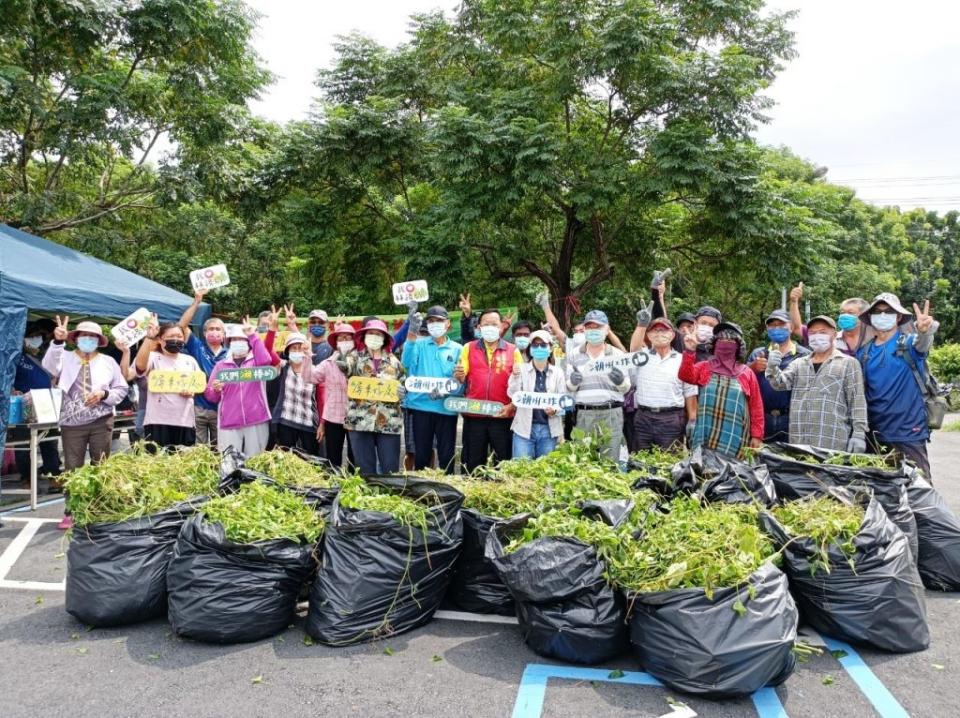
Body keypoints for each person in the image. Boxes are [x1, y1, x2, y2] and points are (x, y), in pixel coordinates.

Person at [43, 317, 129, 529]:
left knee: (101, 463)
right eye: (84, 336)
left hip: (102, 419)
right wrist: (57, 342)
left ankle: (99, 507)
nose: (88, 340)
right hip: (72, 421)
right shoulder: (64, 356)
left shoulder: (108, 361)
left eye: (93, 337)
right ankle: (71, 509)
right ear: (76, 338)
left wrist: (103, 393)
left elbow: (121, 388)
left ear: (99, 340)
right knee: (73, 466)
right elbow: (50, 367)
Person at [856, 293, 938, 478]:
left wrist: (924, 331)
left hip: (909, 432)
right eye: (878, 311)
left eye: (889, 312)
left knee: (919, 489)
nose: (883, 315)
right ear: (870, 317)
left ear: (899, 317)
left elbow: (922, 343)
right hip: (876, 434)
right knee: (882, 490)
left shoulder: (909, 344)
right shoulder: (864, 352)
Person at [765, 315, 868, 452]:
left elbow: (857, 401)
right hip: (799, 442)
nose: (817, 336)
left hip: (832, 442)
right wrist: (772, 367)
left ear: (834, 335)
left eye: (823, 332)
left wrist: (859, 434)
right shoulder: (799, 363)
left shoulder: (848, 363)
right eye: (812, 333)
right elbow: (779, 384)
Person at [679, 322, 764, 459]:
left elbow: (756, 406)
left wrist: (757, 435)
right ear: (714, 344)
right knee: (704, 472)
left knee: (732, 472)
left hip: (736, 433)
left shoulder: (746, 373)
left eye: (730, 341)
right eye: (721, 341)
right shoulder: (704, 367)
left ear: (738, 346)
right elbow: (685, 376)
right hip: (706, 431)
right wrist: (689, 352)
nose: (726, 344)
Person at [401, 305, 462, 473]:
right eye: (431, 321)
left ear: (448, 323)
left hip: (446, 408)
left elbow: (461, 381)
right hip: (420, 407)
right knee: (421, 456)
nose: (435, 324)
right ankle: (424, 494)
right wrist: (412, 332)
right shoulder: (419, 345)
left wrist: (448, 389)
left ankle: (447, 495)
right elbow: (405, 363)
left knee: (447, 457)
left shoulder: (458, 349)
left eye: (439, 321)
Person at [454, 308, 516, 472]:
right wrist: (459, 375)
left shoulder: (513, 350)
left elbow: (521, 384)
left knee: (503, 464)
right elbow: (462, 375)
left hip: (502, 415)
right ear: (479, 327)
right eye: (486, 324)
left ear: (501, 326)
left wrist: (512, 406)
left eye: (494, 324)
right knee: (472, 464)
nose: (490, 327)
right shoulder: (469, 347)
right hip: (474, 415)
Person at [565, 309, 631, 460]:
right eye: (589, 328)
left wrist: (620, 381)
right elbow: (568, 387)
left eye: (598, 327)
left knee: (610, 460)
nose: (593, 331)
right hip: (584, 414)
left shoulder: (617, 355)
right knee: (584, 460)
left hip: (611, 413)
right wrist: (573, 382)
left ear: (607, 330)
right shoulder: (574, 354)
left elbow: (627, 388)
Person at [343, 319, 406, 475]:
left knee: (390, 470)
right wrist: (341, 360)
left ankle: (389, 498)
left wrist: (402, 392)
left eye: (378, 334)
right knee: (365, 470)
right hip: (360, 422)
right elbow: (346, 367)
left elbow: (404, 386)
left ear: (384, 338)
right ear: (364, 336)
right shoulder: (355, 357)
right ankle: (367, 498)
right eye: (371, 333)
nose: (374, 337)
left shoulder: (394, 362)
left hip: (389, 423)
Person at [204, 318, 273, 458]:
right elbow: (210, 396)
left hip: (256, 419)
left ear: (248, 343)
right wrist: (216, 389)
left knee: (255, 460)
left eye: (242, 339)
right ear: (229, 343)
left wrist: (252, 335)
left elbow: (266, 360)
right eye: (234, 340)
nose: (238, 342)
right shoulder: (221, 366)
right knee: (229, 460)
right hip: (229, 421)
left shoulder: (256, 362)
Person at [628, 317, 698, 452]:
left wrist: (692, 420)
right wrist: (641, 325)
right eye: (655, 330)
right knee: (639, 464)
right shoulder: (641, 357)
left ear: (672, 335)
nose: (659, 334)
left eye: (664, 330)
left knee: (668, 465)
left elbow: (690, 392)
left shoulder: (682, 359)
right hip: (643, 418)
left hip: (671, 420)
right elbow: (633, 349)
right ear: (648, 335)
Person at [134, 317, 202, 448]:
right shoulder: (153, 358)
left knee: (183, 461)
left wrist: (192, 391)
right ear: (160, 340)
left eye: (179, 336)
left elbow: (198, 385)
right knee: (158, 461)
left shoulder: (190, 360)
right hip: (157, 421)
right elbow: (140, 367)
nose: (176, 339)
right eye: (171, 336)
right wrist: (148, 338)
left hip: (185, 421)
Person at [746, 309, 811, 442]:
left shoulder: (804, 355)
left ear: (791, 327)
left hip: (792, 418)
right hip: (763, 417)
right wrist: (753, 367)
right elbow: (742, 381)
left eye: (781, 325)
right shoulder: (758, 354)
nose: (777, 328)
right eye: (772, 325)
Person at [13, 319, 62, 484]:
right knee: (23, 443)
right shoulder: (15, 355)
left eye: (39, 336)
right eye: (32, 336)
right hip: (23, 404)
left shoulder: (46, 353)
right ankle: (27, 477)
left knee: (49, 441)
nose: (36, 339)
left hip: (47, 403)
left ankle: (53, 475)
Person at [178, 290, 228, 445]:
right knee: (199, 448)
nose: (214, 332)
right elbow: (182, 326)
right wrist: (197, 302)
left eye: (217, 329)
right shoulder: (197, 347)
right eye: (210, 329)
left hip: (222, 408)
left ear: (224, 334)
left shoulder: (231, 354)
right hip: (198, 405)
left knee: (219, 448)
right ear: (204, 333)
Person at [508, 330, 566, 458]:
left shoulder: (558, 373)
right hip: (524, 429)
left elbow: (563, 401)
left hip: (549, 430)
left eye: (543, 345)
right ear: (530, 349)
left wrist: (555, 410)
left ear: (550, 348)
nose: (539, 348)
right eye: (535, 345)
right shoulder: (521, 369)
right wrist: (516, 376)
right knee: (521, 471)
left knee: (545, 472)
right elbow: (513, 395)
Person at [264, 331, 323, 455]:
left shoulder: (315, 370)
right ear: (288, 351)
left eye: (299, 348)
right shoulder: (283, 366)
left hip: (308, 423)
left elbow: (321, 399)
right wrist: (272, 330)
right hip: (286, 421)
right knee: (286, 460)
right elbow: (268, 349)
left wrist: (322, 423)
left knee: (310, 461)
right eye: (293, 348)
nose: (297, 351)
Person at [314, 322, 356, 467]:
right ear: (336, 343)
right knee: (333, 458)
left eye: (347, 338)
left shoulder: (361, 363)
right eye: (341, 338)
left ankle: (354, 486)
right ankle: (336, 486)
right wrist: (306, 357)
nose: (344, 342)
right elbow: (310, 377)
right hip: (333, 416)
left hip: (356, 416)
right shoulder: (328, 363)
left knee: (354, 458)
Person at [788, 283, 871, 356]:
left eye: (850, 312)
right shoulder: (831, 338)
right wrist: (794, 302)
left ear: (863, 316)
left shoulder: (874, 339)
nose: (844, 316)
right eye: (842, 312)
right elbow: (797, 328)